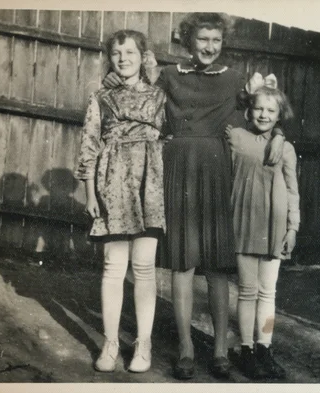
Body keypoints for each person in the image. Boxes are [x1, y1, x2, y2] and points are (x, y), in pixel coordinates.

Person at [102, 12, 286, 380]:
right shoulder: (169, 75)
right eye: (202, 39)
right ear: (189, 41)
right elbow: (132, 85)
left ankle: (219, 351)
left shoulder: (235, 80)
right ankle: (185, 348)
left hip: (217, 172)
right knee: (183, 264)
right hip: (178, 169)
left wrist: (278, 135)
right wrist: (112, 77)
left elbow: (265, 112)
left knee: (217, 267)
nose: (209, 47)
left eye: (215, 40)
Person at [74, 29, 166, 373]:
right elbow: (89, 144)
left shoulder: (160, 97)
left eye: (130, 52)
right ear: (110, 58)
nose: (124, 58)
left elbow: (172, 137)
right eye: (117, 53)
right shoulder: (100, 97)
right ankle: (110, 343)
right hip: (111, 183)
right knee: (113, 267)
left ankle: (143, 345)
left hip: (149, 185)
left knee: (144, 268)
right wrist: (89, 192)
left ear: (143, 57)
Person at [226, 76, 300, 380]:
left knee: (268, 292)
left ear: (279, 116)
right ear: (249, 110)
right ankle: (245, 349)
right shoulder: (236, 138)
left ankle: (264, 347)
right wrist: (247, 91)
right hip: (244, 222)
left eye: (271, 111)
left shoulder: (285, 148)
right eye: (258, 109)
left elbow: (293, 190)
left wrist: (292, 227)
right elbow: (228, 116)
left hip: (275, 226)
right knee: (247, 291)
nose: (264, 115)